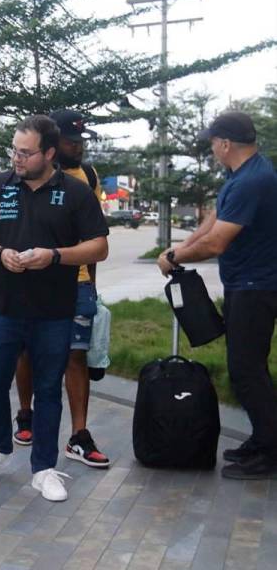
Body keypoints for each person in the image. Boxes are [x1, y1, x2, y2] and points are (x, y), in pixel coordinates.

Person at [0, 115, 109, 502]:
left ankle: (43, 468)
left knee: (47, 389)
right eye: (14, 150)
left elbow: (99, 247)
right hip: (2, 309)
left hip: (54, 311)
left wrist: (55, 255)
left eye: (26, 152)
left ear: (48, 153)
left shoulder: (75, 192)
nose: (17, 158)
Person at [157, 111, 277, 480]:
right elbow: (214, 219)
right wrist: (180, 245)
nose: (211, 149)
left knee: (247, 371)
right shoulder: (243, 174)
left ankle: (271, 451)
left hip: (256, 287)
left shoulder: (251, 182)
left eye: (212, 142)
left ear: (225, 144)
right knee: (247, 367)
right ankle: (262, 439)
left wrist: (175, 257)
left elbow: (219, 242)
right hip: (248, 283)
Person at [12, 110, 111, 469]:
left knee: (76, 355)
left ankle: (79, 436)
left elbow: (95, 237)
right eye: (71, 140)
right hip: (31, 283)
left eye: (81, 140)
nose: (78, 146)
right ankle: (26, 415)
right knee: (25, 352)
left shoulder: (88, 178)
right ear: (52, 147)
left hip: (77, 283)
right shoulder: (24, 175)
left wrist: (92, 289)